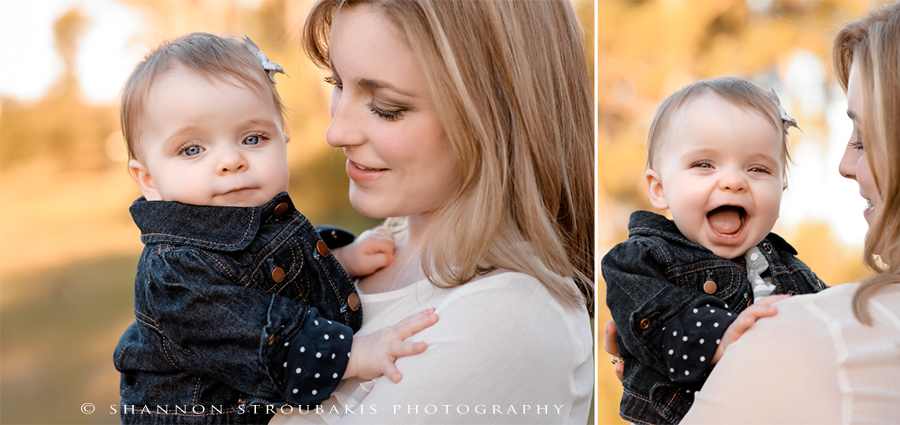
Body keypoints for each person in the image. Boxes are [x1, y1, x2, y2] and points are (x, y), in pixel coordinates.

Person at [271, 0, 595, 423]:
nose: (336, 132)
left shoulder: (507, 319)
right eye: (337, 82)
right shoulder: (352, 256)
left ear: (497, 114)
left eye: (386, 107)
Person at [112, 32, 439, 424]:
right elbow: (257, 333)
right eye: (192, 149)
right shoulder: (175, 272)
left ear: (283, 141)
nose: (231, 160)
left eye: (253, 138)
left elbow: (269, 273)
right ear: (147, 179)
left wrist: (341, 259)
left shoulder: (250, 222)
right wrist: (353, 356)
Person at [677, 4, 900, 422]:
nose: (844, 165)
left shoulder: (815, 338)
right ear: (658, 186)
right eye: (704, 164)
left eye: (866, 139)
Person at [601, 77, 827, 424]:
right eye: (704, 164)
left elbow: (836, 330)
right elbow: (652, 314)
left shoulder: (794, 271)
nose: (734, 181)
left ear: (782, 188)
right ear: (659, 188)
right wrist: (719, 335)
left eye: (757, 168)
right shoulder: (642, 259)